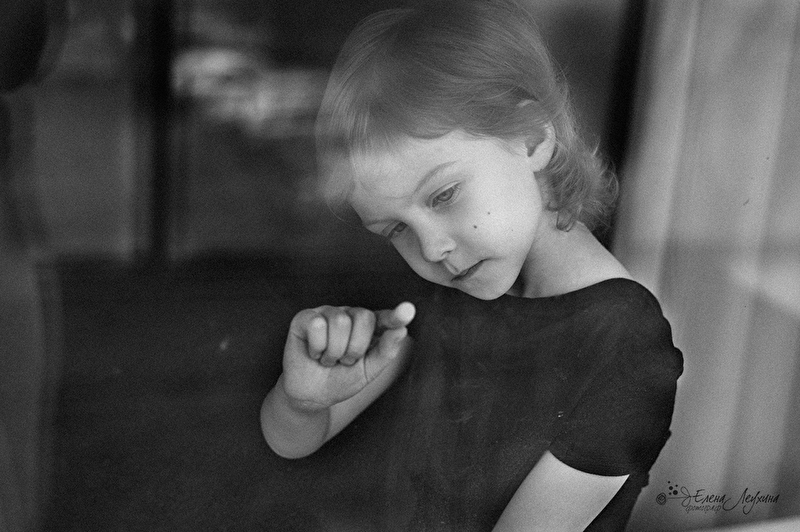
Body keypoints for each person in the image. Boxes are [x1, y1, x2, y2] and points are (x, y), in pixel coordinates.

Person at [260, 0, 683, 530]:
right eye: (395, 230)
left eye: (444, 195)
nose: (431, 249)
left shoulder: (626, 345)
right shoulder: (455, 285)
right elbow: (294, 441)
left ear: (532, 139)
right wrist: (302, 401)